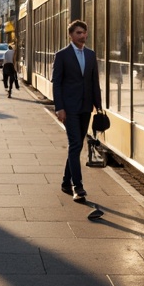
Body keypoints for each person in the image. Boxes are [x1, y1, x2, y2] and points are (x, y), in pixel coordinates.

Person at [52, 20, 102, 202]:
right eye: (79, 33)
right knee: (75, 144)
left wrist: (99, 106)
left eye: (84, 32)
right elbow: (56, 83)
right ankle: (77, 186)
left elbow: (93, 82)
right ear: (71, 35)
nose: (83, 36)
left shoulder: (90, 55)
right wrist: (59, 108)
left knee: (78, 145)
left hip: (86, 107)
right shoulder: (62, 55)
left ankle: (66, 181)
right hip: (70, 108)